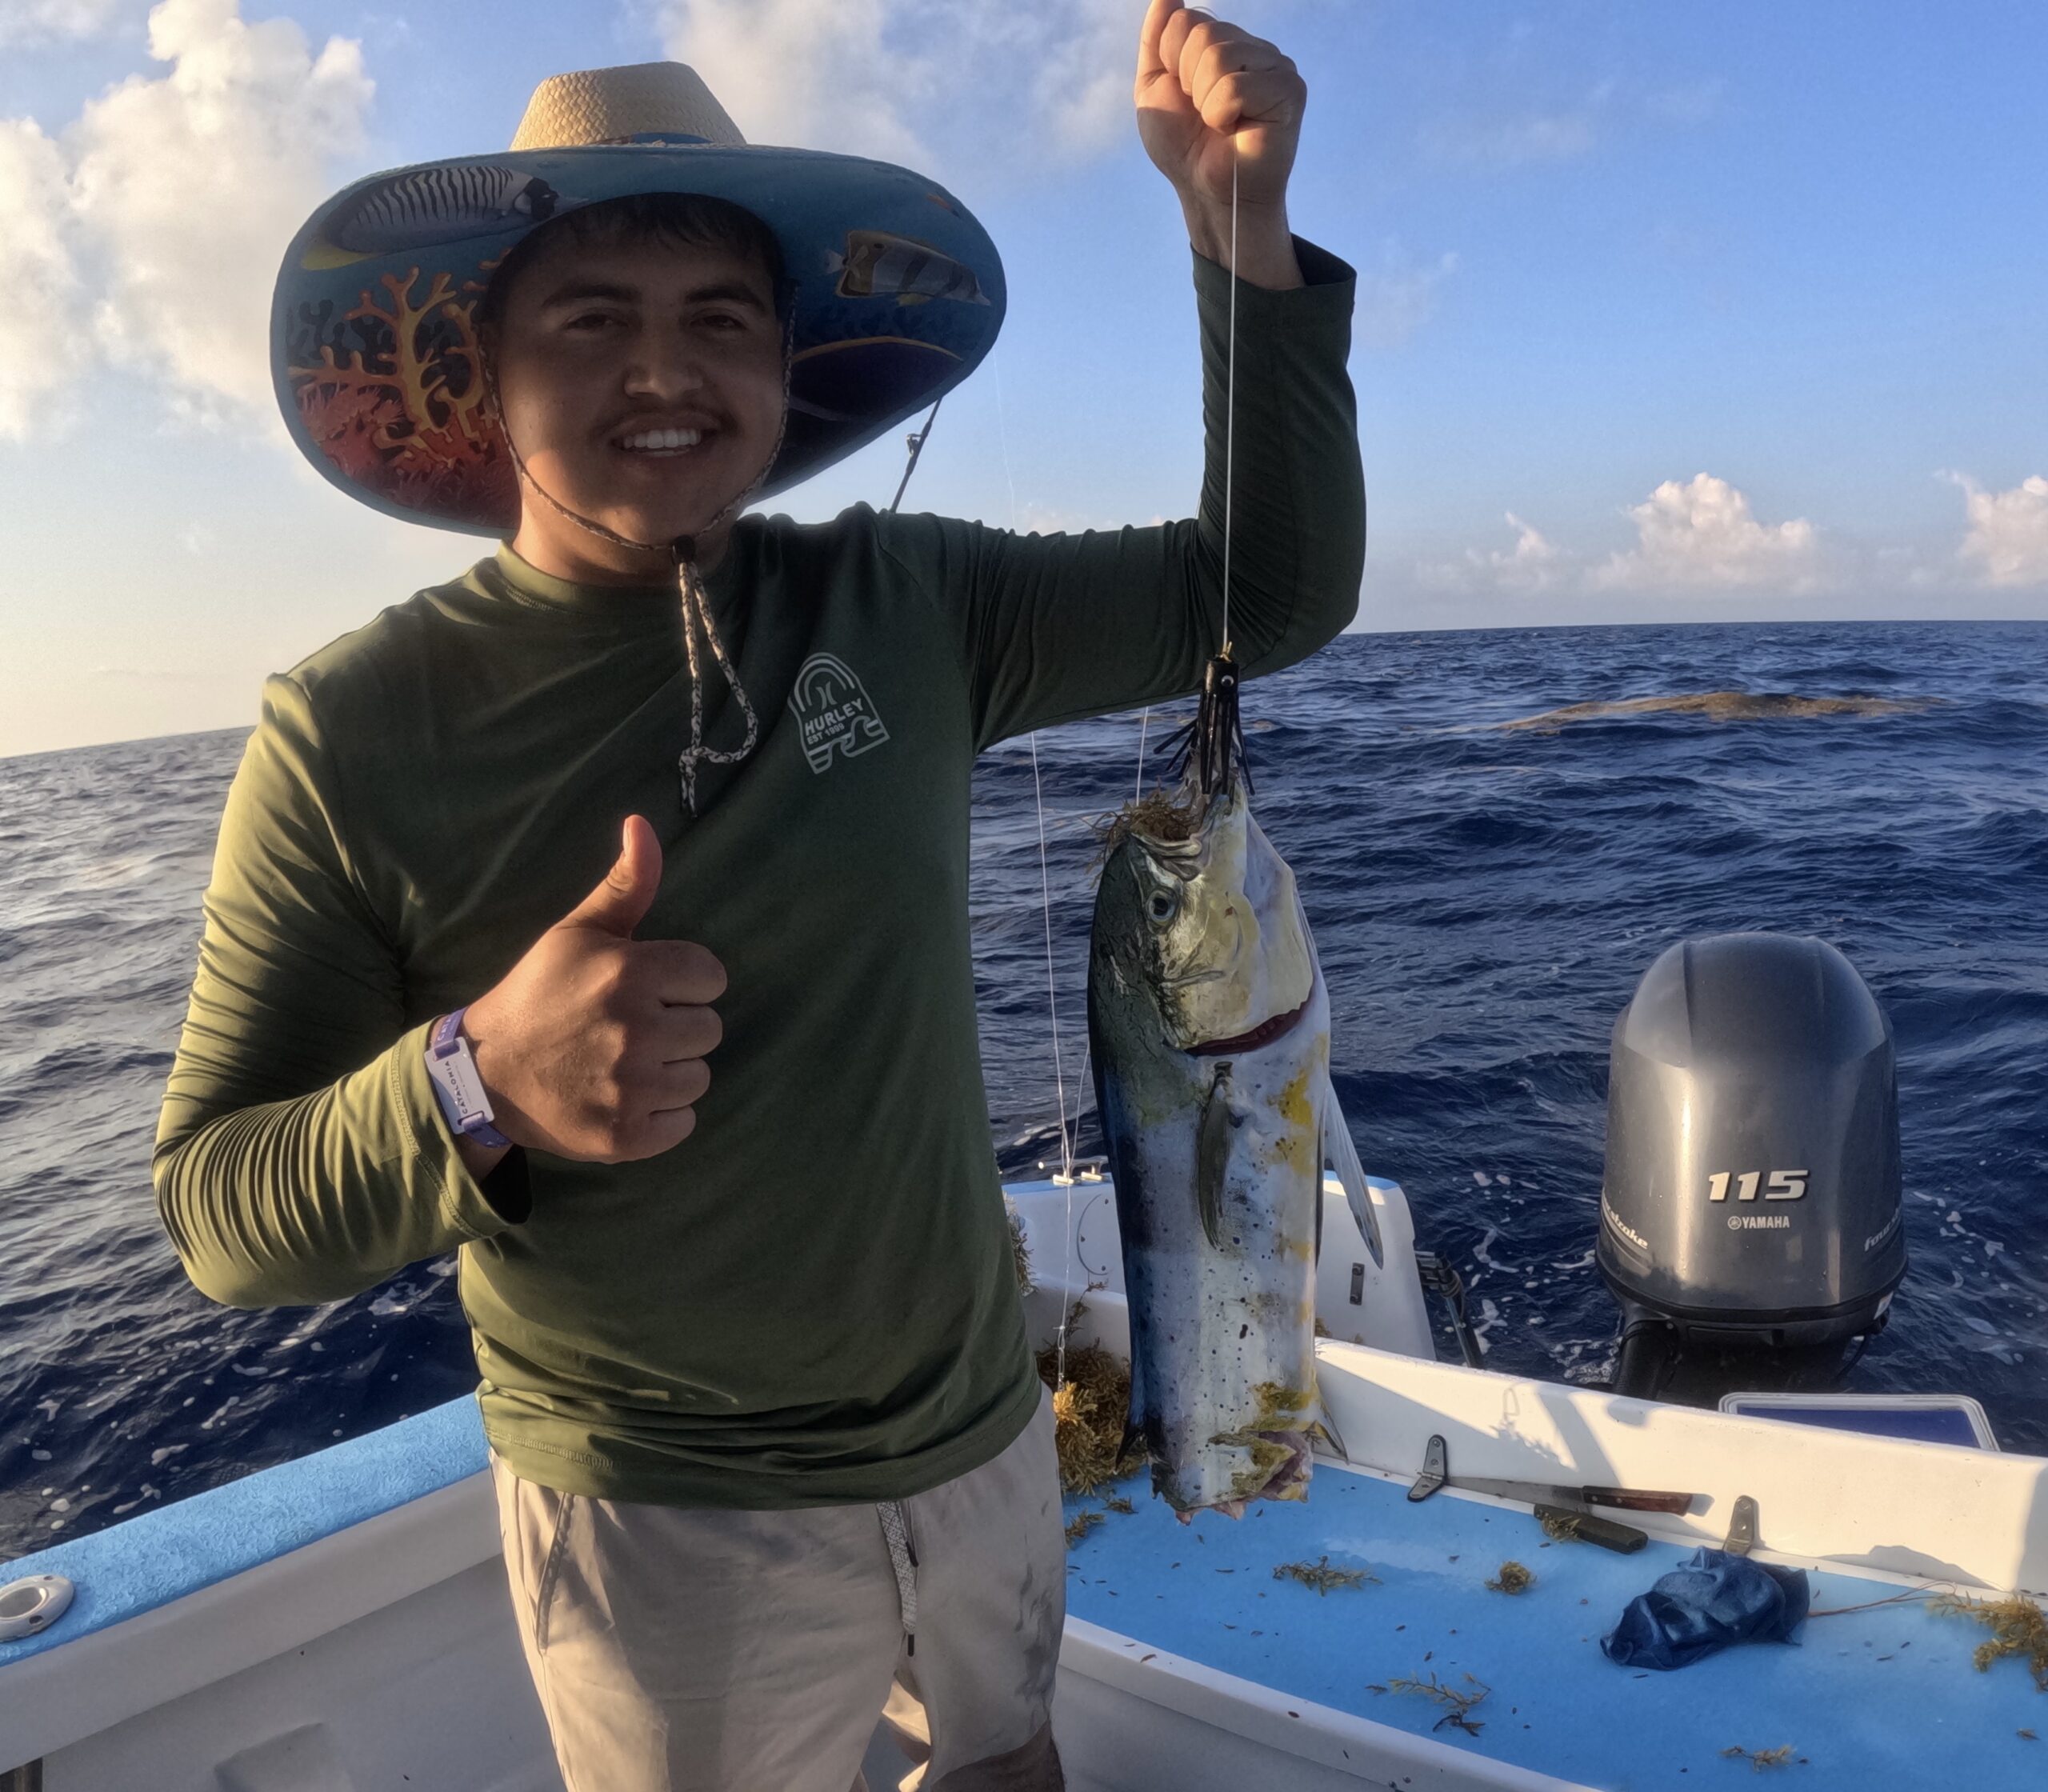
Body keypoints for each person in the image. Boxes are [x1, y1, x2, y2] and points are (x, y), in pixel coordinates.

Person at [152, 3, 1363, 1787]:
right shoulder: (347, 734)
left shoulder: (906, 601)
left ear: (788, 368)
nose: (665, 371)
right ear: (488, 370)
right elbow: (217, 1209)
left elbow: (1262, 595)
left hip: (978, 1432)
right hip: (664, 1509)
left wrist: (1235, 229)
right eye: (592, 319)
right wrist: (479, 1080)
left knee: (1012, 1767)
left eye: (721, 319)